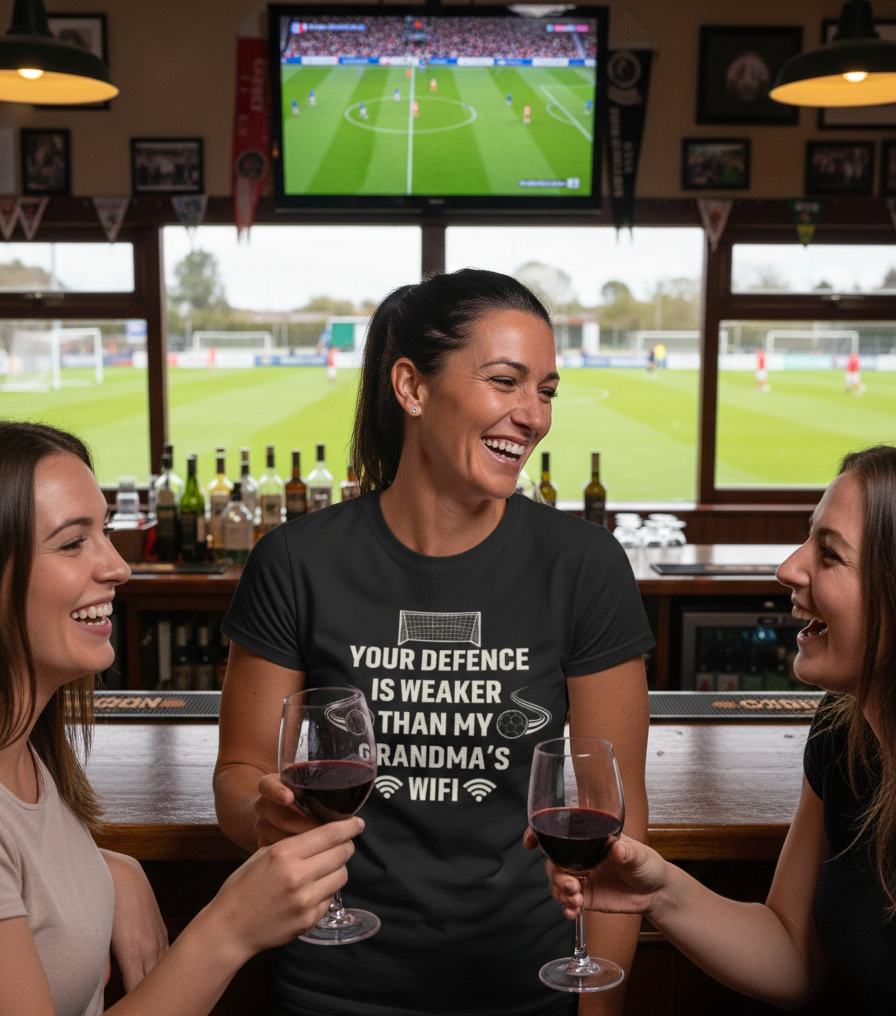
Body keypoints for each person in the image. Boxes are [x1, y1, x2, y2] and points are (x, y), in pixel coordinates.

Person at [214, 269, 654, 1016]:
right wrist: (264, 814)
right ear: (412, 388)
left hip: (526, 983)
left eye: (546, 391)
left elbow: (621, 817)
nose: (533, 415)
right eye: (506, 382)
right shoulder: (295, 561)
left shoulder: (585, 566)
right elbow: (239, 774)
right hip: (333, 985)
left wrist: (597, 1011)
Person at [0, 422, 363, 1016]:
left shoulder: (29, 755)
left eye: (106, 533)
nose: (118, 568)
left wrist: (107, 865)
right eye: (72, 544)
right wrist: (230, 927)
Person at [545, 445, 896, 1012]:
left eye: (828, 554)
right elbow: (792, 956)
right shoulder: (841, 734)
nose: (788, 568)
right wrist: (660, 891)